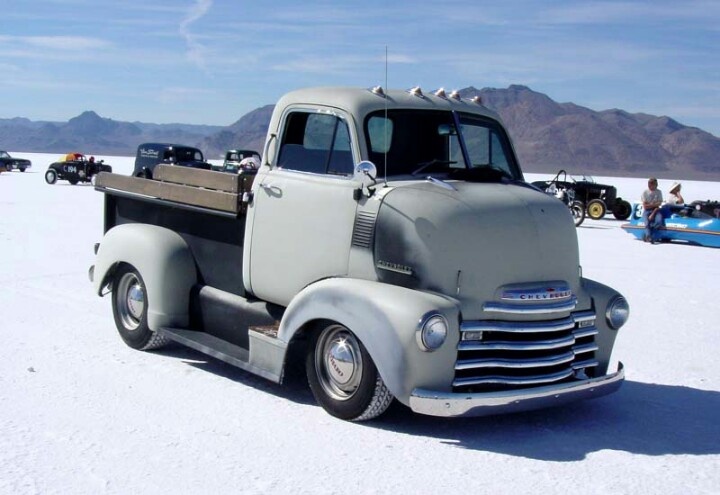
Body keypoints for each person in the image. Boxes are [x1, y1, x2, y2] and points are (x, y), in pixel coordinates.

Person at [641, 177, 663, 243]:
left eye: (652, 184)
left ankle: (650, 233)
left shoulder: (659, 192)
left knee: (658, 222)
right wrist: (653, 204)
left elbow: (659, 203)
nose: (650, 186)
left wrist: (651, 205)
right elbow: (645, 206)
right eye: (649, 184)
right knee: (647, 223)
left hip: (656, 210)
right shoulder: (645, 192)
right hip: (647, 210)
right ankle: (648, 236)